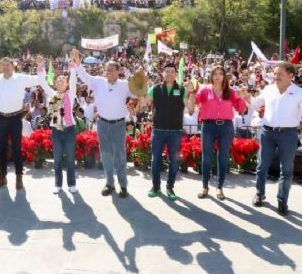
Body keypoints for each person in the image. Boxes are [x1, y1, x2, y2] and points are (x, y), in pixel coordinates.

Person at [243, 61, 302, 215]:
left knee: (286, 170)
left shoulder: (301, 93)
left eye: (280, 74)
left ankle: (282, 201)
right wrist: (247, 98)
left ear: (290, 75)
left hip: (288, 134)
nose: (276, 76)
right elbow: (255, 105)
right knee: (261, 166)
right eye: (274, 74)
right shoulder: (268, 90)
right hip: (267, 133)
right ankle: (259, 194)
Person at [72, 49, 138, 198]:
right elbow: (83, 75)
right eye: (107, 70)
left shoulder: (124, 85)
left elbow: (137, 93)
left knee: (120, 156)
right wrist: (77, 62)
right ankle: (109, 183)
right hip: (102, 124)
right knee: (106, 155)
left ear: (118, 71)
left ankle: (123, 185)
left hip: (119, 124)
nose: (108, 72)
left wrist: (138, 82)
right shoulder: (98, 82)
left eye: (111, 70)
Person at [0, 56, 46, 190]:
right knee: (1, 149)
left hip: (15, 118)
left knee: (17, 149)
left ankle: (19, 178)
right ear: (0, 67)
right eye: (3, 64)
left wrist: (40, 66)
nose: (6, 66)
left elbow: (38, 79)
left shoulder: (20, 78)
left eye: (8, 64)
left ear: (13, 66)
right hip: (0, 118)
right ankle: (2, 178)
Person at [193, 64, 248, 200]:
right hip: (208, 125)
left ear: (224, 76)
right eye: (215, 74)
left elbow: (241, 110)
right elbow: (194, 102)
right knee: (206, 158)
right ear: (211, 76)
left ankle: (219, 187)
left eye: (220, 74)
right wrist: (191, 92)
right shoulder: (205, 90)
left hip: (226, 127)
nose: (217, 77)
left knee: (223, 158)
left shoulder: (230, 92)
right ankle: (205, 186)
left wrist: (242, 97)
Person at [142, 63, 196, 201]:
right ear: (163, 73)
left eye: (172, 71)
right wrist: (140, 90)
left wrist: (192, 92)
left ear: (176, 73)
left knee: (173, 161)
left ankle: (170, 187)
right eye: (167, 71)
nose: (170, 73)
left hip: (175, 132)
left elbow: (190, 109)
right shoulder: (155, 89)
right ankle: (155, 186)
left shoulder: (181, 90)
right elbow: (144, 104)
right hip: (158, 130)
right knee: (155, 160)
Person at [41, 59, 79, 194]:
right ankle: (58, 184)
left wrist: (73, 68)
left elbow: (74, 81)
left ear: (67, 83)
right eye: (59, 79)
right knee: (57, 159)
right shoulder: (52, 95)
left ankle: (72, 183)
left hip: (69, 130)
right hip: (56, 131)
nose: (61, 80)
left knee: (70, 159)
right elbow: (44, 84)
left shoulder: (71, 94)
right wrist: (41, 68)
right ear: (56, 83)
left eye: (64, 79)